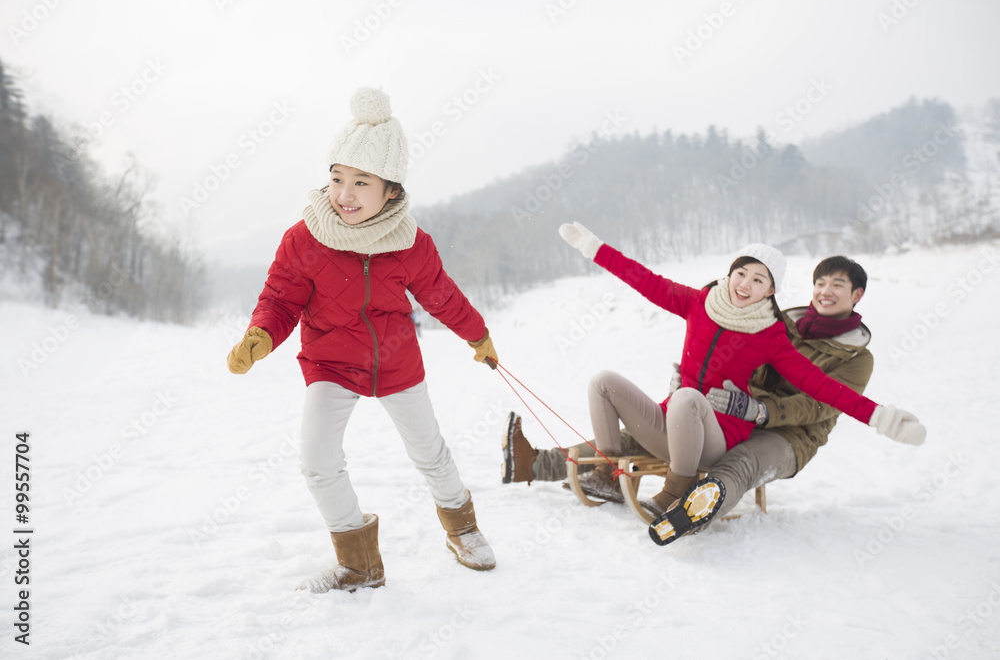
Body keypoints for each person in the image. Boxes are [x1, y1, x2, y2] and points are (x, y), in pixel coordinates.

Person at [227, 87, 499, 593]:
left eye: (360, 182)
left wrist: (477, 335)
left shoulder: (410, 243)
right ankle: (359, 562)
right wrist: (261, 335)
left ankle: (463, 528)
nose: (344, 195)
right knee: (317, 459)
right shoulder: (305, 237)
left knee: (429, 452)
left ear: (390, 191)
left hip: (396, 363)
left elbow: (442, 295)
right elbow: (281, 298)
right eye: (336, 178)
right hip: (331, 362)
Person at [504, 222, 925, 531]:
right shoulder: (757, 316)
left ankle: (686, 501)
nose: (746, 283)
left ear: (771, 290)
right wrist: (596, 249)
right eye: (741, 273)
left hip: (777, 436)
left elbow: (821, 394)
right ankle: (558, 467)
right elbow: (647, 282)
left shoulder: (785, 335)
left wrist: (880, 418)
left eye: (759, 279)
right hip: (706, 415)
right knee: (608, 385)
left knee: (732, 454)